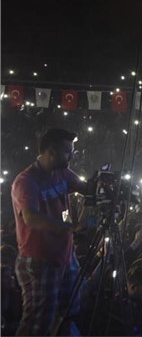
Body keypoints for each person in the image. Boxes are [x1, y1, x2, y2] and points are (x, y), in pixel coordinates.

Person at [10, 128, 88, 336]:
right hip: (40, 261)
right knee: (38, 322)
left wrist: (102, 186)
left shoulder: (62, 173)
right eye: (68, 151)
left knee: (68, 311)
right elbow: (31, 218)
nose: (72, 156)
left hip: (65, 256)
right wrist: (70, 227)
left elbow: (84, 187)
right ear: (52, 152)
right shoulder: (26, 181)